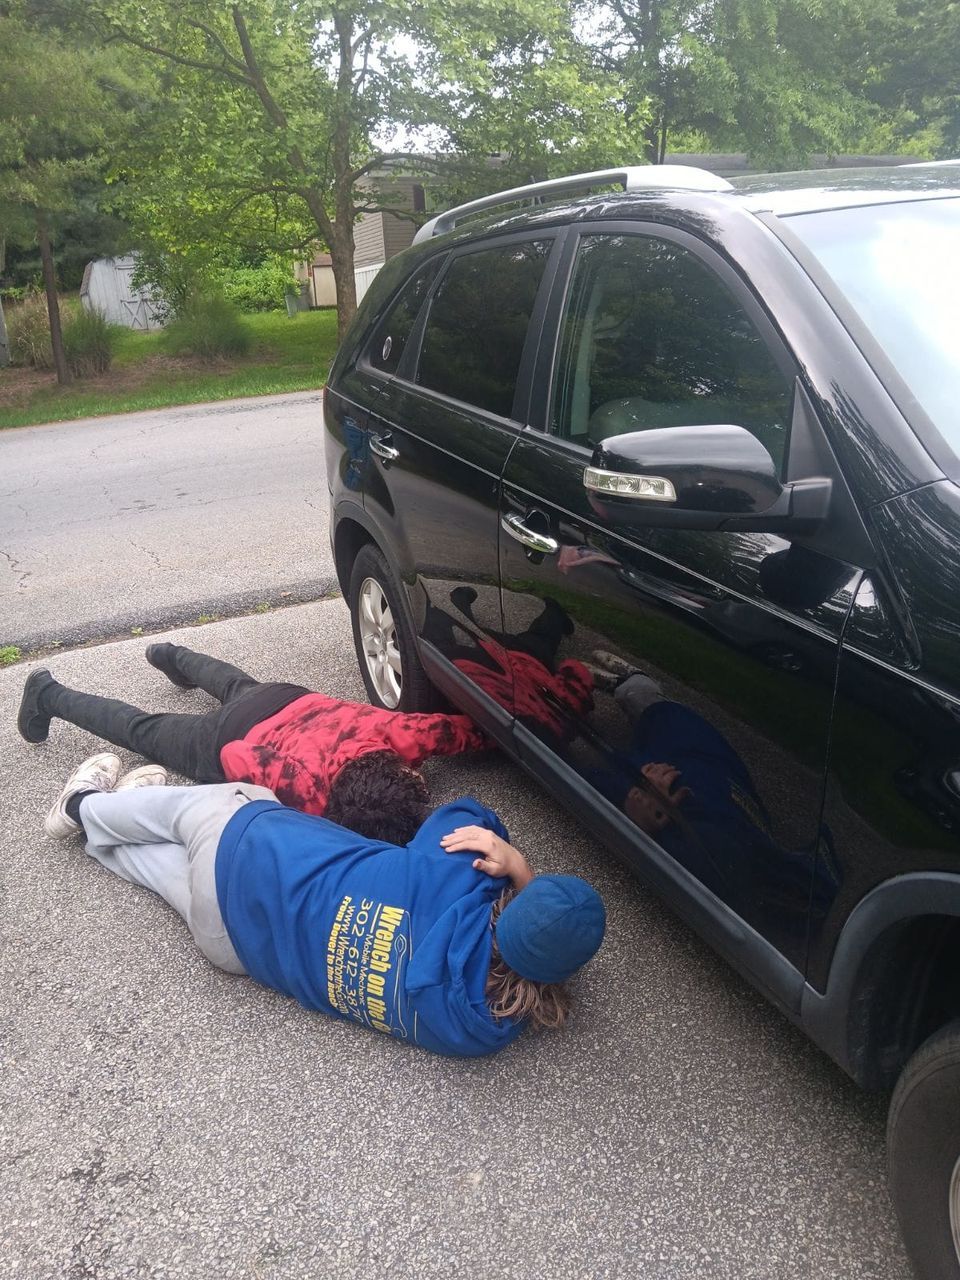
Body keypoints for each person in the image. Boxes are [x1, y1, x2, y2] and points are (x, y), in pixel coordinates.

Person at [42, 752, 607, 1058]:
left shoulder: (456, 878)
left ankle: (83, 807)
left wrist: (518, 865)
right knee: (161, 872)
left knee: (194, 811)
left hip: (244, 846)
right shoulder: (483, 1031)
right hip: (234, 945)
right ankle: (98, 836)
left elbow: (469, 815)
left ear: (511, 903)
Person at [18, 643, 490, 844]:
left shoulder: (398, 738)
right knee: (142, 730)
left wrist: (490, 732)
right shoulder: (311, 795)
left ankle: (169, 655)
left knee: (235, 684)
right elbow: (235, 756)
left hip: (287, 698)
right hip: (232, 736)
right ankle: (47, 694)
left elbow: (455, 729)